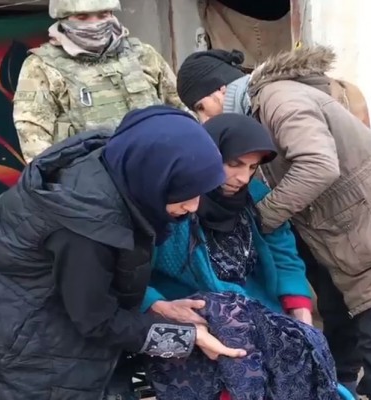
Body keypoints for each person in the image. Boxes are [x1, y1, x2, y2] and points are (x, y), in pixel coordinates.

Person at [175, 47, 371, 400]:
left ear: (219, 91)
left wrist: (261, 217)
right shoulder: (262, 114)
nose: (204, 121)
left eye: (201, 108)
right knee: (341, 347)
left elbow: (318, 166)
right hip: (363, 241)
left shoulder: (279, 100)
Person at [0, 106, 248, 400]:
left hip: (12, 312)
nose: (193, 207)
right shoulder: (87, 223)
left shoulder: (119, 169)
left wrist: (157, 306)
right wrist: (185, 339)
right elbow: (95, 319)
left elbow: (96, 287)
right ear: (154, 179)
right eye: (184, 194)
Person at [143, 113, 341, 399]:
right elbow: (129, 277)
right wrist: (157, 305)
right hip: (188, 316)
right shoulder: (176, 203)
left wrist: (300, 312)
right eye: (234, 164)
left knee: (305, 356)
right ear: (206, 155)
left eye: (252, 167)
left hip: (256, 313)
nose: (243, 178)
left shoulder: (255, 197)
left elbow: (284, 255)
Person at [13, 0, 187, 162]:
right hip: (88, 177)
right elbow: (32, 133)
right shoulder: (40, 66)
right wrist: (55, 180)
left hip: (155, 166)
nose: (94, 24)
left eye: (103, 15)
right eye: (82, 17)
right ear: (63, 18)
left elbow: (181, 109)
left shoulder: (143, 55)